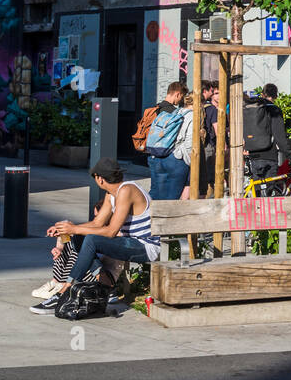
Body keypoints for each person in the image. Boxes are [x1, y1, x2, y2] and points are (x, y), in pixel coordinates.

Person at [34, 158, 160, 310]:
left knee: (91, 239)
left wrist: (74, 229)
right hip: (132, 243)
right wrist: (67, 228)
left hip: (147, 246)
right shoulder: (111, 194)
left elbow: (111, 231)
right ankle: (106, 283)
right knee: (79, 236)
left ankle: (65, 291)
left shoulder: (127, 190)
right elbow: (97, 223)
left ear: (99, 179)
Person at [144, 82, 186, 202]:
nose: (180, 100)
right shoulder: (173, 112)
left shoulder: (155, 108)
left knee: (155, 189)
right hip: (165, 155)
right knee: (165, 194)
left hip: (151, 153)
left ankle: (147, 214)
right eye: (181, 97)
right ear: (178, 94)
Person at [242, 83, 291, 180]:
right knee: (268, 190)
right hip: (269, 156)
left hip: (253, 155)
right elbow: (279, 136)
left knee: (258, 191)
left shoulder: (254, 109)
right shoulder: (274, 110)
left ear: (262, 94)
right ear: (276, 96)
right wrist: (290, 156)